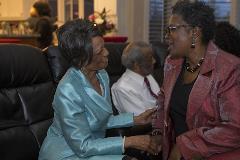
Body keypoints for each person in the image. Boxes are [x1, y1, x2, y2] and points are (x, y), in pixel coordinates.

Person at [38, 19, 161, 160]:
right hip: (67, 153)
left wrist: (135, 119)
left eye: (104, 46)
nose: (107, 52)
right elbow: (82, 146)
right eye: (100, 50)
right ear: (82, 59)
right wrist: (130, 141)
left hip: (94, 148)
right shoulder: (68, 90)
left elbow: (100, 120)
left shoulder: (102, 75)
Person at [152, 1, 240, 160]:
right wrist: (158, 132)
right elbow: (162, 100)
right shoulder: (171, 63)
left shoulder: (228, 69)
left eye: (172, 29)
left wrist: (186, 145)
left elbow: (235, 128)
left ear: (195, 32)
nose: (166, 36)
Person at [111, 42, 160, 116]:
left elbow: (161, 101)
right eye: (150, 58)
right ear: (136, 65)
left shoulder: (148, 76)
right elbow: (143, 119)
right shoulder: (122, 88)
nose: (154, 61)